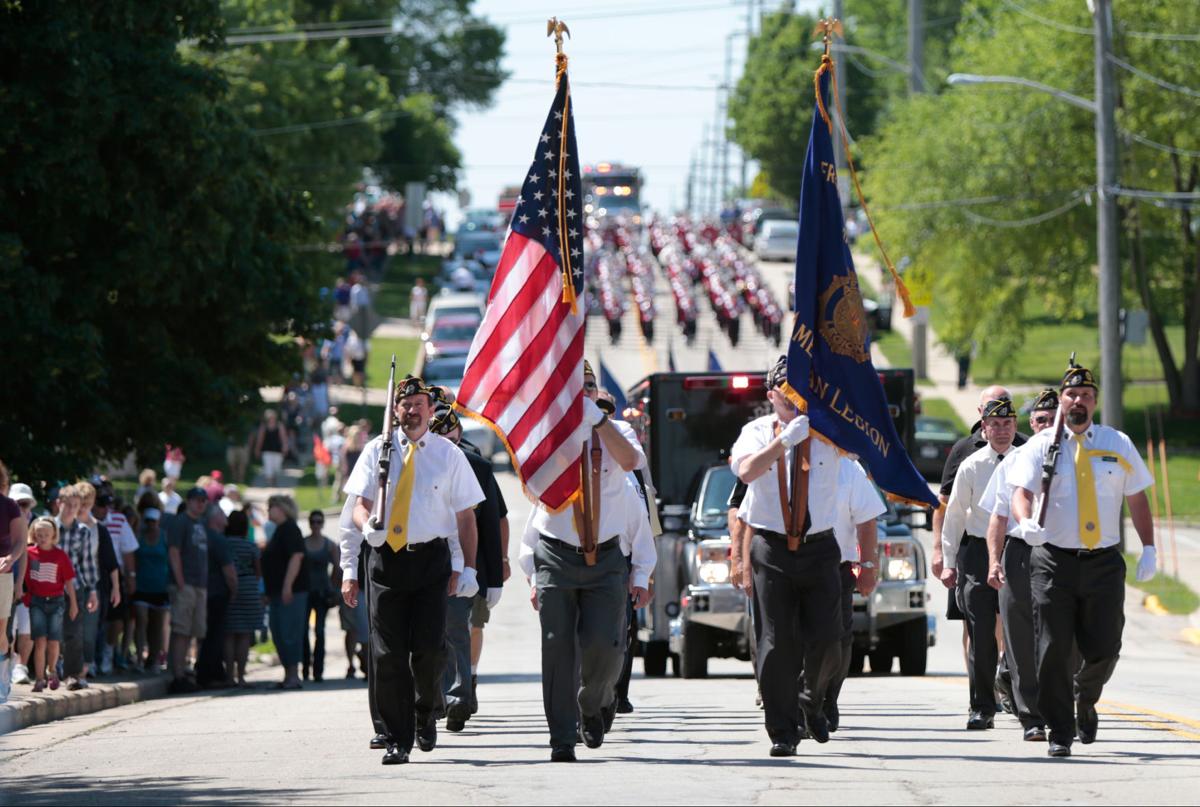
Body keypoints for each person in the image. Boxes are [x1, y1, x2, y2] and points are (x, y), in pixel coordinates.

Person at [1009, 361, 1157, 758]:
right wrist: (1025, 523)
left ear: (1094, 403)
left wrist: (1149, 546)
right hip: (1053, 560)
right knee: (1053, 647)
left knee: (1106, 645)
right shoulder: (1040, 446)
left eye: (1086, 396)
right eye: (1072, 395)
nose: (1079, 401)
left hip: (1103, 562)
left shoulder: (1117, 443)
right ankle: (1060, 730)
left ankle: (1085, 697)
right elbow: (1020, 492)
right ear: (1061, 401)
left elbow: (1138, 495)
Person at [338, 374, 484, 765]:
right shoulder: (376, 450)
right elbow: (357, 503)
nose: (412, 411)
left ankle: (424, 711)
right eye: (405, 405)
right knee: (387, 655)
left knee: (428, 652)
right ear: (395, 411)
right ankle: (397, 738)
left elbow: (466, 517)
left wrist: (467, 568)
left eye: (419, 404)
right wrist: (366, 525)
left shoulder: (448, 455)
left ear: (430, 410)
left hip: (430, 561)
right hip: (385, 560)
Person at [730, 355, 866, 757]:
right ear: (770, 395)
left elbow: (861, 448)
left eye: (799, 393)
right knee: (776, 643)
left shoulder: (826, 431)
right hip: (771, 547)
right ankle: (782, 731)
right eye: (784, 394)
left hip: (821, 546)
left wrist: (829, 421)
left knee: (828, 638)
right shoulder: (756, 432)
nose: (792, 401)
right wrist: (784, 441)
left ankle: (811, 698)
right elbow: (747, 472)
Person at [517, 361, 654, 763]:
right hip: (557, 553)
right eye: (577, 387)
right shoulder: (547, 432)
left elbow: (631, 462)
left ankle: (593, 704)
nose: (584, 392)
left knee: (607, 647)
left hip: (608, 556)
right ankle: (561, 737)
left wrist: (597, 422)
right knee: (557, 647)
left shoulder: (618, 430)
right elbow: (532, 484)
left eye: (590, 386)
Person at [931, 384, 1023, 711]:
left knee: (1019, 630)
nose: (1001, 431)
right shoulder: (970, 463)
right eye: (994, 425)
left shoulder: (1026, 460)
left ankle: (1021, 701)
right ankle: (982, 707)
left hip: (1018, 552)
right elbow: (953, 513)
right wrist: (947, 559)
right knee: (981, 633)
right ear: (983, 427)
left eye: (1007, 424)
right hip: (976, 552)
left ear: (1015, 426)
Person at [978, 387, 1060, 742]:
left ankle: (1060, 703)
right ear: (1031, 422)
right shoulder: (1016, 459)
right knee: (1020, 636)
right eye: (1040, 419)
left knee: (1061, 636)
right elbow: (997, 517)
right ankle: (1032, 717)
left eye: (1052, 419)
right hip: (1020, 551)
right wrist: (994, 561)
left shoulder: (1077, 457)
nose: (1046, 425)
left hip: (1061, 553)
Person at [428, 400, 507, 732]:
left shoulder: (478, 467)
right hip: (424, 559)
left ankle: (462, 690)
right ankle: (438, 696)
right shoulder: (412, 462)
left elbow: (491, 522)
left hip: (466, 561)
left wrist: (495, 570)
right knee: (431, 634)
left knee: (461, 627)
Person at [822, 457, 884, 732]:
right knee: (794, 637)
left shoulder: (849, 468)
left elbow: (867, 520)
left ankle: (828, 697)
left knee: (839, 638)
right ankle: (800, 701)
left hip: (838, 567)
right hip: (792, 566)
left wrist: (868, 566)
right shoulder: (786, 459)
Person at [23, 518, 78, 693]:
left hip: (56, 601)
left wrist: (74, 604)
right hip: (36, 601)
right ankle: (39, 679)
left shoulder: (60, 555)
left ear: (54, 535)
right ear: (33, 534)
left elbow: (69, 581)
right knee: (40, 641)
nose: (43, 537)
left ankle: (51, 669)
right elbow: (23, 576)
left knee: (54, 641)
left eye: (46, 534)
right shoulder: (29, 553)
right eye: (39, 534)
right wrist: (23, 593)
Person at [165, 487, 210, 693]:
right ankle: (178, 674)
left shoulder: (200, 522)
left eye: (203, 500)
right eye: (197, 500)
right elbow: (174, 551)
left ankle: (189, 671)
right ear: (189, 501)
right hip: (185, 584)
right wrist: (180, 581)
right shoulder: (180, 522)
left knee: (196, 630)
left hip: (200, 584)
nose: (200, 504)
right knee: (181, 630)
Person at [262, 495, 308, 690]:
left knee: (289, 632)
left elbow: (296, 557)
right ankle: (288, 674)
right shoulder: (279, 531)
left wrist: (287, 586)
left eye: (271, 506)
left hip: (291, 592)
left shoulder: (290, 529)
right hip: (277, 593)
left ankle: (293, 675)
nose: (268, 510)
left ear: (282, 509)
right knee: (279, 631)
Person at [95, 491, 137, 674]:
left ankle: (108, 652)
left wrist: (131, 576)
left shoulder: (119, 520)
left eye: (108, 505)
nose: (105, 509)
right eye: (102, 505)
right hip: (93, 573)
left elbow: (128, 551)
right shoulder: (85, 520)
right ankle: (92, 657)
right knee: (95, 618)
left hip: (114, 574)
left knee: (116, 619)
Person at [195, 506, 237, 688]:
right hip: (217, 593)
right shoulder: (217, 539)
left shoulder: (203, 536)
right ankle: (209, 675)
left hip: (203, 591)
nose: (225, 516)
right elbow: (229, 572)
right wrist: (234, 590)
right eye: (221, 513)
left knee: (207, 635)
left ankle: (210, 672)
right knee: (214, 635)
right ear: (214, 518)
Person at [223, 510, 262, 687]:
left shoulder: (224, 544)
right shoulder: (251, 546)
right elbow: (259, 571)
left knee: (229, 635)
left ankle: (229, 676)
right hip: (249, 589)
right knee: (245, 635)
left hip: (228, 589)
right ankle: (241, 676)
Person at [302, 510, 339, 683]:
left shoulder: (329, 544)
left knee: (319, 631)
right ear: (309, 523)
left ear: (323, 524)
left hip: (323, 593)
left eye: (319, 522)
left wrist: (332, 587)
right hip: (305, 592)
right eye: (313, 522)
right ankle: (304, 669)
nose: (316, 525)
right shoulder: (303, 543)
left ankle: (318, 670)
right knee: (303, 631)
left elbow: (338, 567)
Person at [132, 507, 170, 673]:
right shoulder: (139, 537)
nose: (151, 524)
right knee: (141, 621)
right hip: (141, 585)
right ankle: (139, 658)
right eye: (148, 521)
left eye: (153, 521)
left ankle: (154, 658)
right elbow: (133, 558)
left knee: (157, 625)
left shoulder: (164, 537)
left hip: (160, 586)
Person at [0, 485, 28, 698]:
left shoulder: (9, 506)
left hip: (2, 572)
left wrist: (11, 558)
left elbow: (20, 542)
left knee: (0, 631)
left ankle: (2, 678)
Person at [255, 409, 290, 487]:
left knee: (276, 469)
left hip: (278, 451)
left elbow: (283, 438)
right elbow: (260, 439)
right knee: (268, 468)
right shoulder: (264, 427)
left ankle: (273, 482)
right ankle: (270, 484)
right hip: (267, 451)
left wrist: (285, 447)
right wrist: (257, 449)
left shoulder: (279, 426)